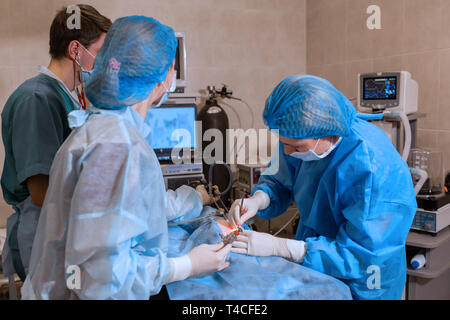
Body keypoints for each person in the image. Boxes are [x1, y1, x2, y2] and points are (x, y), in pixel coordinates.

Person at [21, 15, 231, 300]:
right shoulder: (118, 146)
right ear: (166, 74)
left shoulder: (98, 128)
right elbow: (102, 278)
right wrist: (186, 265)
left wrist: (196, 200)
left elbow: (131, 205)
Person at [228, 74, 417, 300]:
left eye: (295, 146)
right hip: (315, 262)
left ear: (327, 132)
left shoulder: (371, 168)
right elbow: (280, 179)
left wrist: (282, 248)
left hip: (367, 281)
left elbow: (360, 255)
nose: (287, 152)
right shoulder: (299, 135)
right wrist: (259, 199)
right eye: (283, 143)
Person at [1, 5, 111, 283]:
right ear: (76, 50)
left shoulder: (68, 97)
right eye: (99, 53)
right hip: (43, 235)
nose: (105, 64)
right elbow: (41, 192)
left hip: (61, 229)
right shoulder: (36, 98)